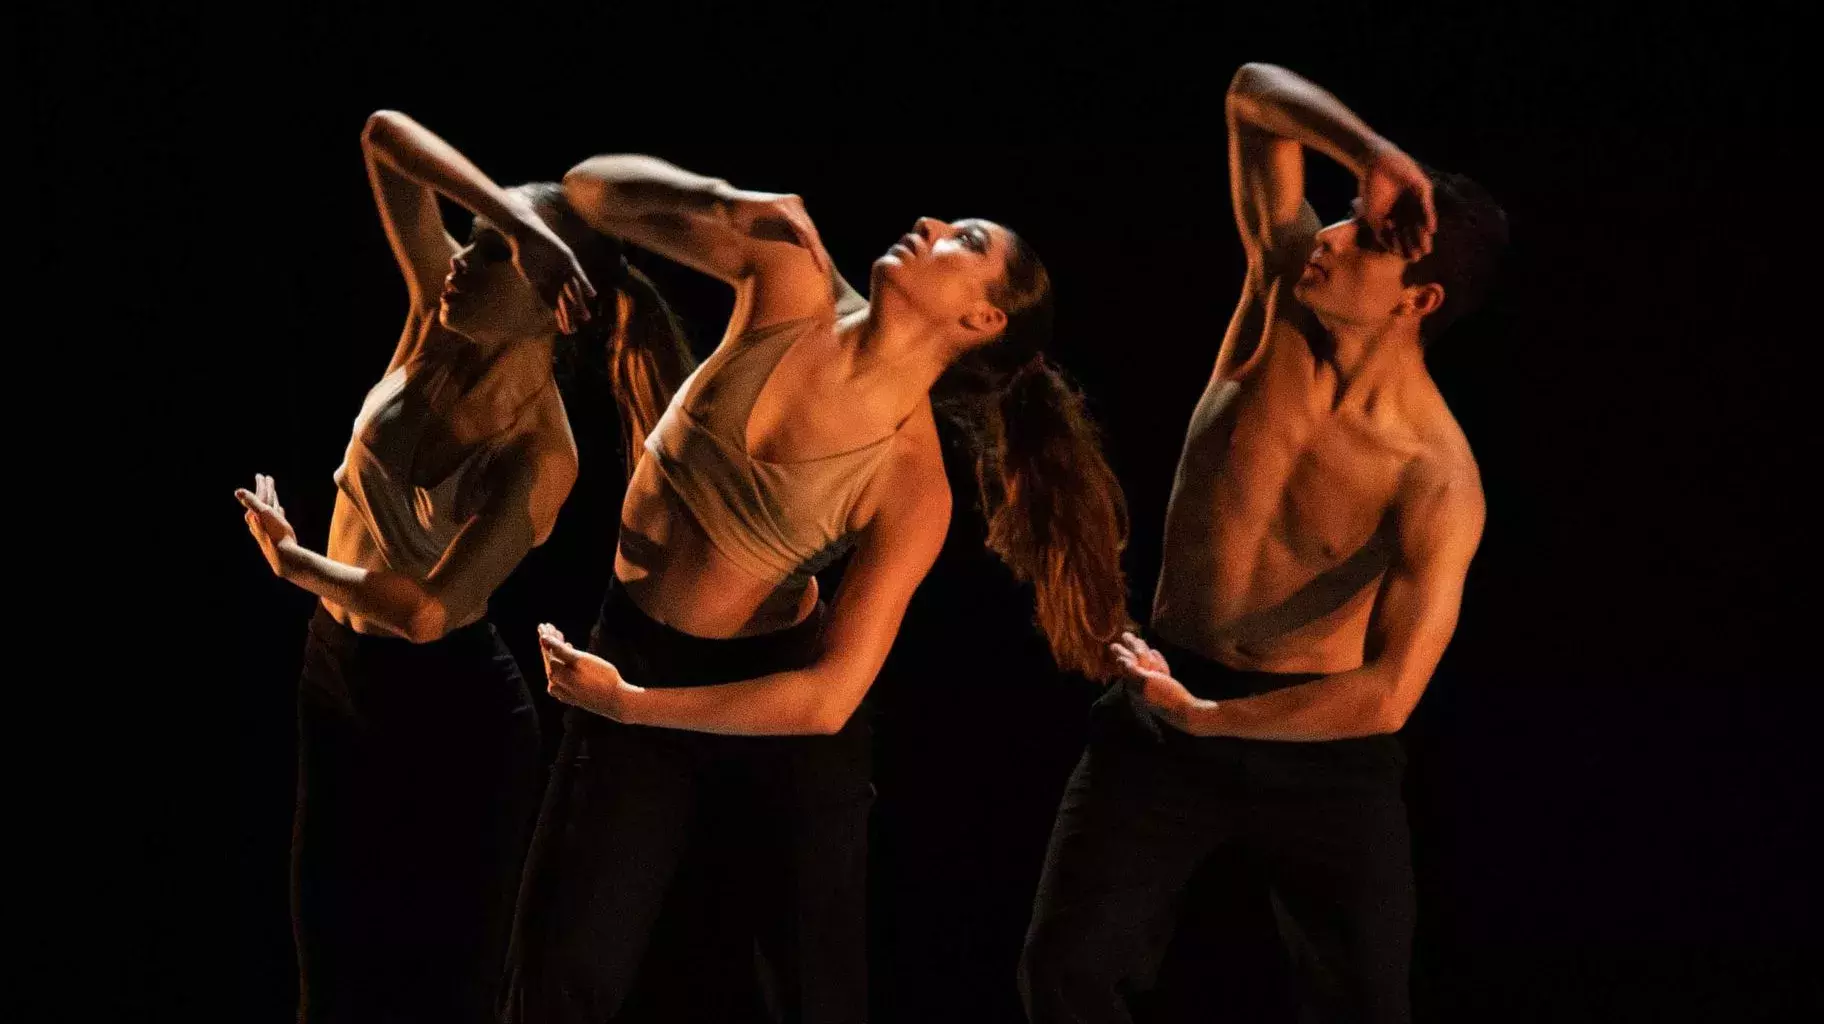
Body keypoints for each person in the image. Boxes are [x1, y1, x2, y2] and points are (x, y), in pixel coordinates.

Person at [507, 154, 1132, 1022]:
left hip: (775, 706)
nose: (933, 226)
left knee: (812, 987)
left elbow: (829, 697)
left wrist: (631, 705)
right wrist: (722, 200)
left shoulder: (912, 485)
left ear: (982, 318)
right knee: (563, 969)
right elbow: (587, 190)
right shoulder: (789, 276)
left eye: (967, 241)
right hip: (634, 653)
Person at [1018, 63, 1507, 1023]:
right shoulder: (1276, 302)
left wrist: (1207, 718)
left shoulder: (1435, 475)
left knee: (1366, 1002)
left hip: (1320, 744)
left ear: (1420, 301)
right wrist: (1373, 155)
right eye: (1343, 216)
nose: (1326, 239)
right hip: (1165, 710)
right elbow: (1250, 92)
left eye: (1365, 239)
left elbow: (1388, 694)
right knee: (1064, 973)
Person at [232, 112, 693, 1022]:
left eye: (491, 254)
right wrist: (520, 224)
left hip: (452, 723)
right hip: (337, 678)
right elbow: (380, 137)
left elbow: (431, 612)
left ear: (552, 304)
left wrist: (297, 563)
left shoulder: (539, 453)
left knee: (442, 986)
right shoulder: (430, 319)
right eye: (480, 237)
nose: (461, 259)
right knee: (327, 970)